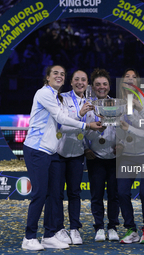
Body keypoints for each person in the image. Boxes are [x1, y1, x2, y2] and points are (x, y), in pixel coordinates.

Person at [21, 65, 102, 251]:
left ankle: (49, 235)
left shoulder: (56, 98)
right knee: (40, 194)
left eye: (62, 74)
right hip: (36, 149)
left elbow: (63, 126)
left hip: (50, 151)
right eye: (55, 73)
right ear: (47, 78)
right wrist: (87, 125)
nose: (59, 76)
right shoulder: (44, 94)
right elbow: (61, 118)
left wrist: (86, 123)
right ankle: (29, 237)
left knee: (51, 194)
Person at [117, 68, 144, 244]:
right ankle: (130, 229)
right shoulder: (117, 102)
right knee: (122, 192)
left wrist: (138, 108)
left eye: (134, 77)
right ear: (122, 82)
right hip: (127, 155)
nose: (131, 79)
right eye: (127, 76)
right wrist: (119, 141)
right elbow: (118, 129)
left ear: (138, 83)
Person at [55, 70, 92, 245]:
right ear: (71, 82)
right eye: (76, 79)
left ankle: (74, 229)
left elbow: (90, 128)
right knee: (57, 194)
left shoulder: (90, 100)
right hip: (59, 152)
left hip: (77, 154)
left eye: (83, 80)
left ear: (87, 83)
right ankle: (59, 228)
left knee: (74, 193)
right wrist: (80, 115)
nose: (80, 82)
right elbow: (61, 125)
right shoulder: (62, 98)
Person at [84, 68, 121, 242]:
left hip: (114, 159)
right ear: (92, 86)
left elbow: (124, 129)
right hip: (96, 158)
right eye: (98, 84)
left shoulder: (117, 105)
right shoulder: (87, 107)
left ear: (109, 86)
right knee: (96, 195)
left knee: (114, 195)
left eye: (104, 84)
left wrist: (122, 144)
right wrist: (85, 149)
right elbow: (80, 129)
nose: (101, 87)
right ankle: (99, 227)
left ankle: (113, 227)